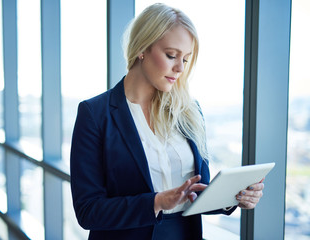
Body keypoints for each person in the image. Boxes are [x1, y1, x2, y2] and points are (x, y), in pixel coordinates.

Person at [70, 3, 264, 240]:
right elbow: (88, 211)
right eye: (171, 55)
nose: (180, 67)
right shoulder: (95, 114)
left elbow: (194, 194)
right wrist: (157, 202)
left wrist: (233, 197)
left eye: (186, 59)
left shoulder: (189, 111)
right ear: (142, 47)